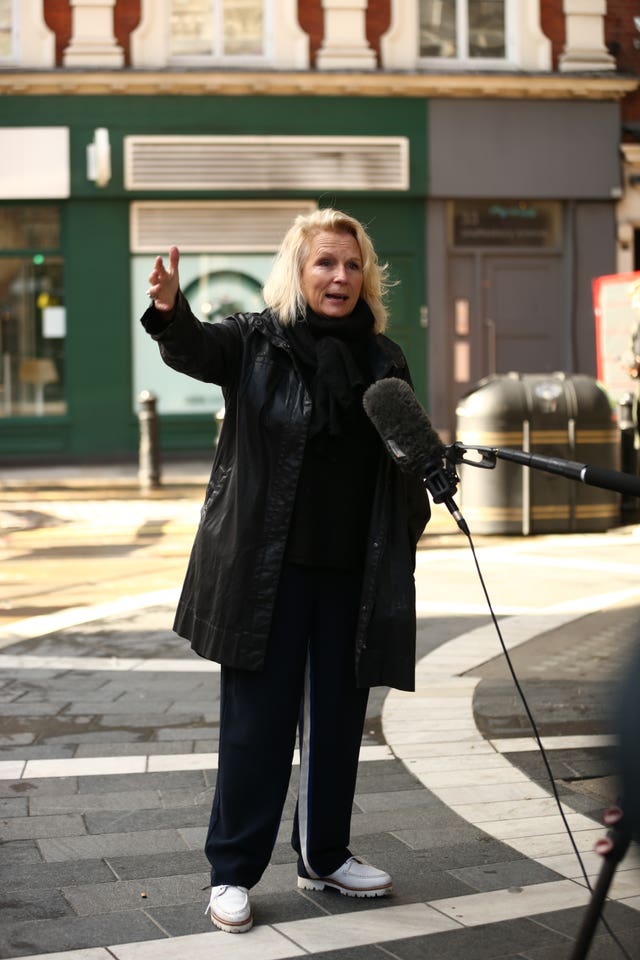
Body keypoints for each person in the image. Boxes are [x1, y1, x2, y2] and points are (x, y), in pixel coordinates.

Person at [141, 208, 430, 934]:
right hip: (266, 571)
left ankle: (324, 854)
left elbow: (400, 454)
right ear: (299, 273)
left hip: (350, 571)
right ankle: (232, 873)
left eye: (352, 264)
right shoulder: (254, 341)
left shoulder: (384, 358)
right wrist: (171, 313)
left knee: (338, 721)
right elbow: (195, 351)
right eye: (326, 263)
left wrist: (426, 487)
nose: (340, 277)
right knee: (257, 727)